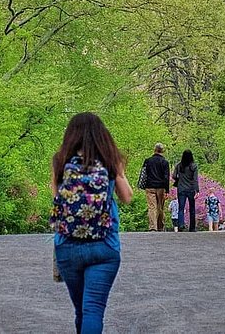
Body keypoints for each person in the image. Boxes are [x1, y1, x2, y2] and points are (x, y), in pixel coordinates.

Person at [51, 112, 133, 334]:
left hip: (68, 247)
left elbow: (57, 200)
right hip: (104, 245)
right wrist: (119, 173)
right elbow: (127, 197)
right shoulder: (109, 160)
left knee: (81, 311)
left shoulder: (60, 161)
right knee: (93, 310)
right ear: (101, 135)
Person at [139, 142, 170, 231]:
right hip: (161, 187)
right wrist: (167, 191)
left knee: (152, 207)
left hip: (149, 186)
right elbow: (166, 177)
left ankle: (153, 227)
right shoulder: (165, 162)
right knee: (160, 207)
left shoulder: (148, 161)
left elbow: (144, 174)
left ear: (154, 150)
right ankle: (160, 227)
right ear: (162, 151)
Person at [173, 149, 199, 232]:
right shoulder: (194, 166)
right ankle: (192, 227)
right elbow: (195, 179)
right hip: (191, 189)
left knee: (181, 208)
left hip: (181, 188)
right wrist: (197, 190)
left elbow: (173, 176)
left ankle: (181, 225)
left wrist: (179, 179)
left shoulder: (179, 166)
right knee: (192, 208)